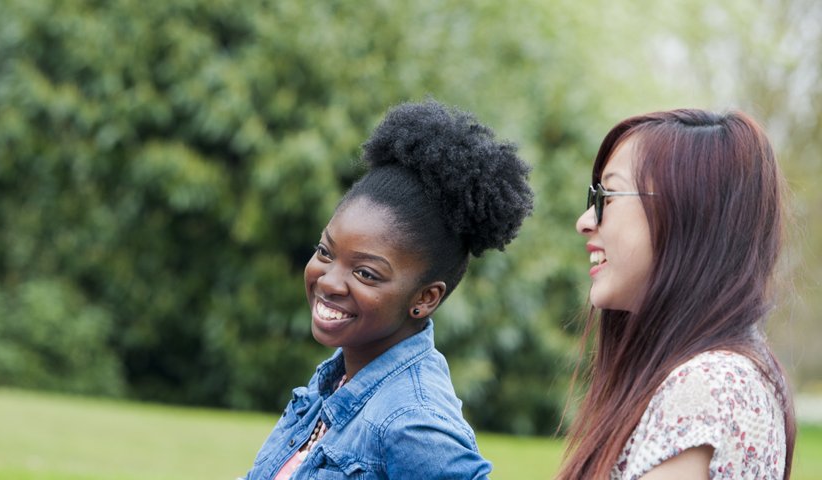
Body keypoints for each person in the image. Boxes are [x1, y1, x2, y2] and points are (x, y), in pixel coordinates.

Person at [244, 100, 533, 479]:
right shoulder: (332, 384)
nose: (329, 281)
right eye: (325, 252)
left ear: (425, 298)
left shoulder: (414, 423)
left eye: (365, 273)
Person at [558, 109, 796, 479]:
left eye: (609, 194)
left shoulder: (707, 384)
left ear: (686, 214)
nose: (585, 220)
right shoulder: (730, 373)